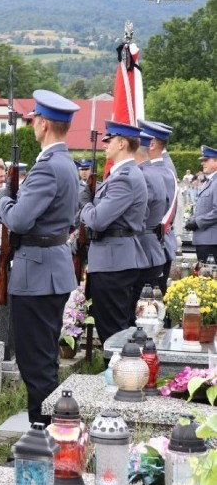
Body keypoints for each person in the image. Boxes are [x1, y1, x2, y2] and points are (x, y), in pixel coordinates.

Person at [0, 89, 80, 426]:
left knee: (35, 362)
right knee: (42, 359)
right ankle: (49, 430)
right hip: (51, 268)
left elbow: (17, 219)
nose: (32, 125)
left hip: (37, 274)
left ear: (44, 124)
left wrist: (3, 197)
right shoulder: (65, 162)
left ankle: (44, 436)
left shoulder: (48, 166)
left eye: (34, 120)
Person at [80, 120, 148, 345]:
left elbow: (98, 220)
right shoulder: (121, 175)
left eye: (109, 140)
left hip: (113, 263)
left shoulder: (125, 178)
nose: (104, 145)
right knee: (111, 326)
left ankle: (119, 377)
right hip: (113, 259)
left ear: (122, 143)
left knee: (113, 332)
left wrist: (85, 205)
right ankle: (119, 375)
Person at [130, 133, 169, 323]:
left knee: (137, 312)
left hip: (142, 249)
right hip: (152, 245)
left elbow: (139, 217)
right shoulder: (156, 173)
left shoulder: (142, 176)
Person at [140, 120, 179, 296]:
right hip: (156, 245)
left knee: (148, 305)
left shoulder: (161, 171)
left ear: (152, 143)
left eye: (140, 139)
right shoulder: (160, 168)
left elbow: (160, 214)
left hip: (154, 246)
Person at [186, 145, 217, 262]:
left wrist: (197, 222)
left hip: (212, 241)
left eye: (206, 160)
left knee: (209, 277)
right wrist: (192, 219)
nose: (203, 163)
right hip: (206, 239)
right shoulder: (210, 181)